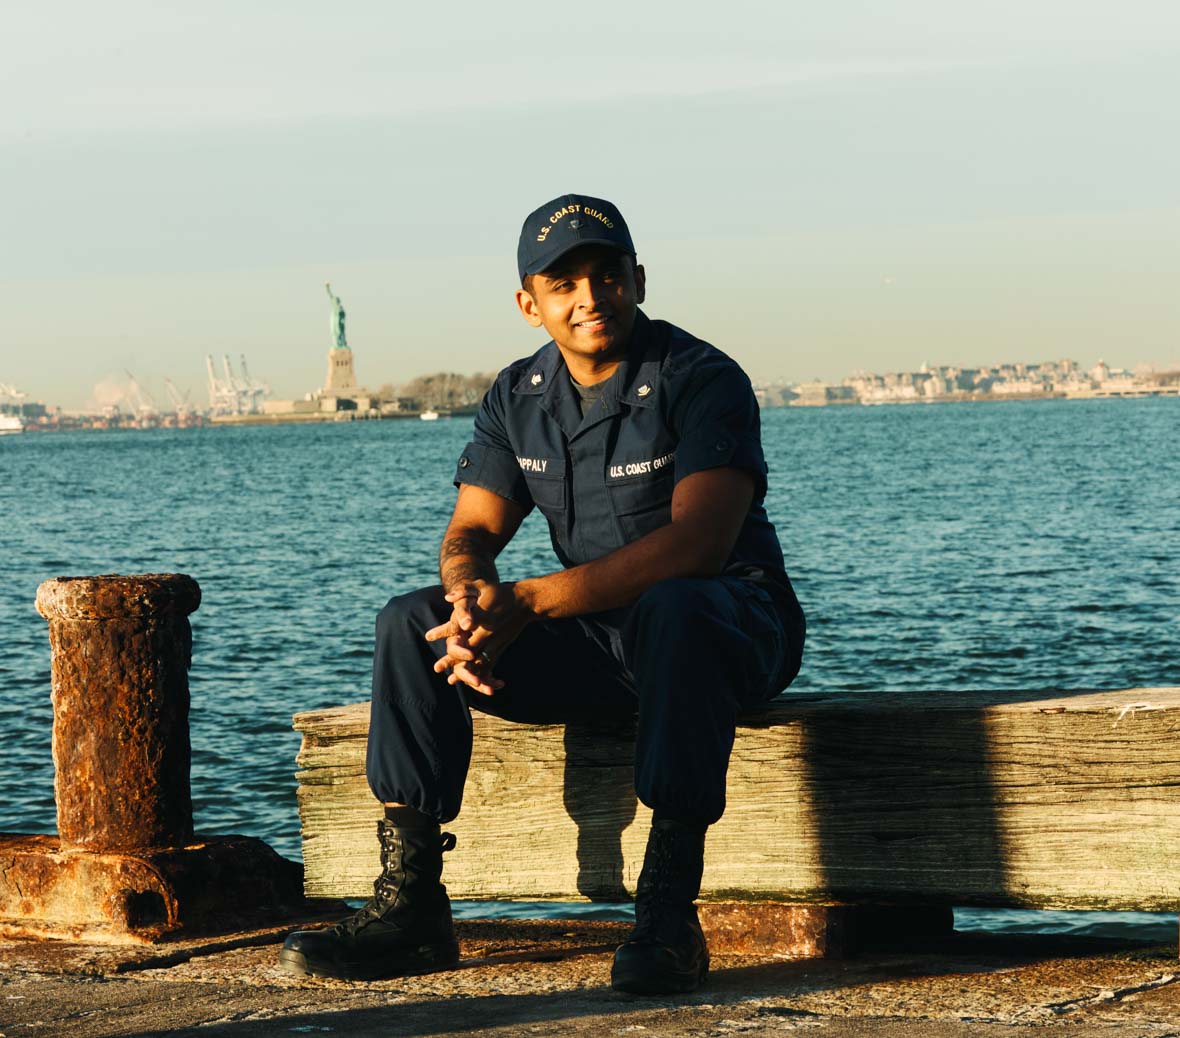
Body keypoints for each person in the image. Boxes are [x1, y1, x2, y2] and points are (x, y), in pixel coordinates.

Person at [280, 193, 806, 994]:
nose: (590, 297)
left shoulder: (701, 378)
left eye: (607, 275)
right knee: (414, 622)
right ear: (530, 304)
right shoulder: (517, 396)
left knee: (676, 608)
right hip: (601, 641)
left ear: (638, 279)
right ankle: (411, 910)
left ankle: (667, 916)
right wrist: (469, 600)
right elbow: (471, 531)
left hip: (730, 627)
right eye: (563, 284)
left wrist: (526, 602)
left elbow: (700, 546)